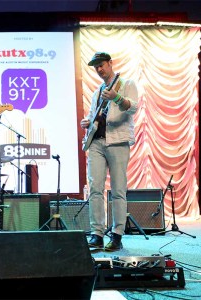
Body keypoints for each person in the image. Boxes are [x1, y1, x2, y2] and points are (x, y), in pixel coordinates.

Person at [80, 52, 138, 251]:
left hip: (118, 141)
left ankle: (117, 235)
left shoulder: (126, 83)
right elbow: (93, 116)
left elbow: (133, 108)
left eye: (101, 65)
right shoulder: (98, 90)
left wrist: (117, 97)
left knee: (118, 189)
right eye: (96, 67)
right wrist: (86, 123)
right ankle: (97, 233)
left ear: (110, 63)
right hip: (96, 142)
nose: (99, 69)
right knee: (95, 188)